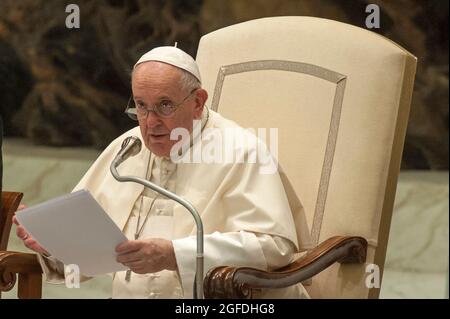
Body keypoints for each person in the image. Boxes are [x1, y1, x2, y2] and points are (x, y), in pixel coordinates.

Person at [14, 46, 312, 298]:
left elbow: (275, 247)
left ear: (198, 102)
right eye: (141, 106)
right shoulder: (127, 148)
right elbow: (98, 247)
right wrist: (58, 244)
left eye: (164, 105)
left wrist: (173, 254)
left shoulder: (241, 151)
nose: (150, 122)